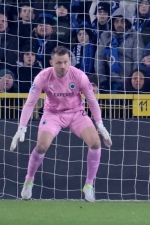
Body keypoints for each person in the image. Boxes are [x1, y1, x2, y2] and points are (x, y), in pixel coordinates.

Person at [10, 46, 112, 202]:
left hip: (76, 113)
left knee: (96, 143)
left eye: (65, 62)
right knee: (41, 146)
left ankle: (89, 185)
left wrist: (100, 124)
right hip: (53, 113)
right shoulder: (42, 77)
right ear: (52, 62)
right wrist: (22, 127)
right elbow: (30, 103)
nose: (63, 66)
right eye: (59, 63)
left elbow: (91, 100)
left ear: (70, 61)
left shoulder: (79, 76)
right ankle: (29, 181)